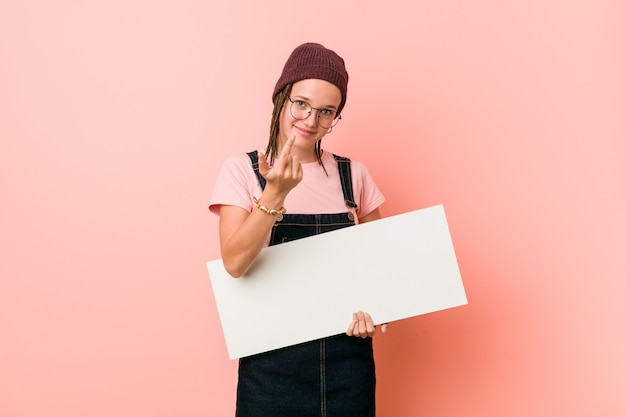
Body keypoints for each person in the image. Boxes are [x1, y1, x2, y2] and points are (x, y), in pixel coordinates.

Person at [208, 42, 386, 417]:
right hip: (270, 371)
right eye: (301, 103)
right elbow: (235, 262)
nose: (310, 120)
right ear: (281, 98)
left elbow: (382, 272)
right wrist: (275, 192)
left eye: (326, 112)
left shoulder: (353, 176)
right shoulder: (241, 171)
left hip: (347, 369)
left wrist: (376, 313)